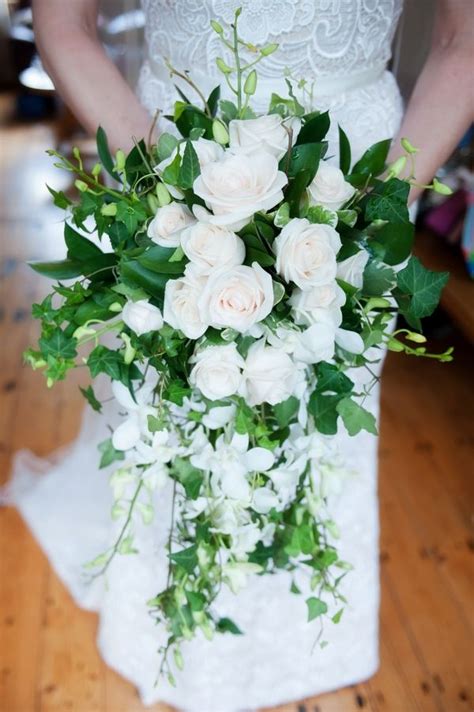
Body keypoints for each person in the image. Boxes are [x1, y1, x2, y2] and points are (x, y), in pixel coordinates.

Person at [11, 1, 472, 710]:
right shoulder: (163, 179)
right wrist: (158, 182)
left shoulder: (367, 196)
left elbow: (463, 39)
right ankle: (168, 630)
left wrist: (383, 200)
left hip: (356, 176)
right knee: (178, 419)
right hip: (173, 164)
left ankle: (309, 628)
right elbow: (64, 25)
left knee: (319, 420)